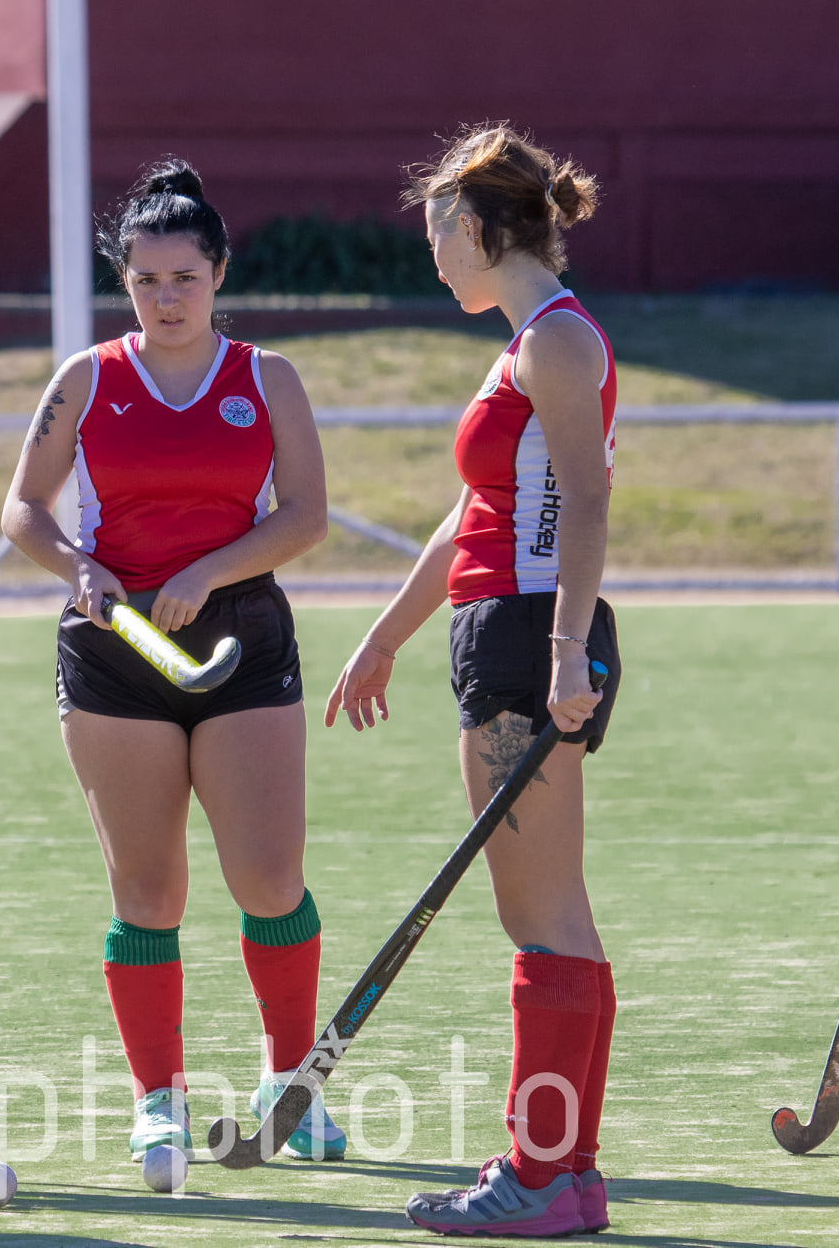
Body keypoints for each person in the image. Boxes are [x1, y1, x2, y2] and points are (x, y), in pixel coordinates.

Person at [0, 160, 337, 1159]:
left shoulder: (265, 378)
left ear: (218, 273)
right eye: (144, 282)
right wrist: (77, 568)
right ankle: (160, 1097)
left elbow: (306, 516)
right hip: (114, 652)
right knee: (147, 893)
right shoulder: (87, 378)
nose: (164, 299)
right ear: (124, 282)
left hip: (239, 639)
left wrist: (212, 568)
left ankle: (291, 1086)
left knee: (268, 878)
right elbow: (21, 509)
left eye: (183, 278)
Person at [326, 122, 619, 1237]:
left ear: (487, 229)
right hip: (503, 627)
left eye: (440, 234)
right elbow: (467, 520)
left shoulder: (555, 341)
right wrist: (385, 634)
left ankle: (537, 1175)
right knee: (560, 918)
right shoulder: (523, 344)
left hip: (524, 639)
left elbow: (585, 502)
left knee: (537, 919)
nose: (432, 256)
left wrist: (559, 647)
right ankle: (569, 1171)